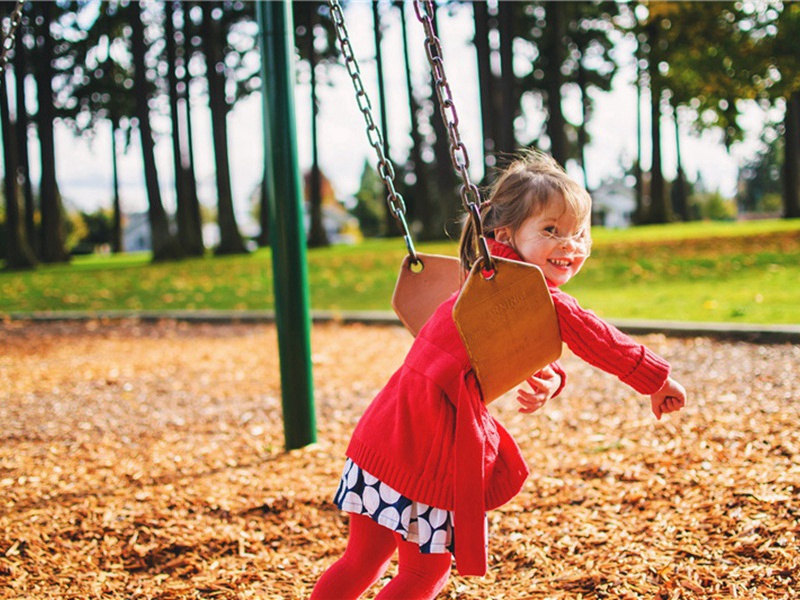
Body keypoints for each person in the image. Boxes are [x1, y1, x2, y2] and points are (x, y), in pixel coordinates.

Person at [310, 151, 686, 600]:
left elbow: (492, 342)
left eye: (579, 233)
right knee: (422, 574)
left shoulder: (475, 280)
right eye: (551, 230)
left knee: (362, 560)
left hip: (381, 436)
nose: (570, 244)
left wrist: (551, 375)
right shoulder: (532, 293)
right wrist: (656, 380)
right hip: (424, 452)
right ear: (505, 234)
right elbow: (598, 339)